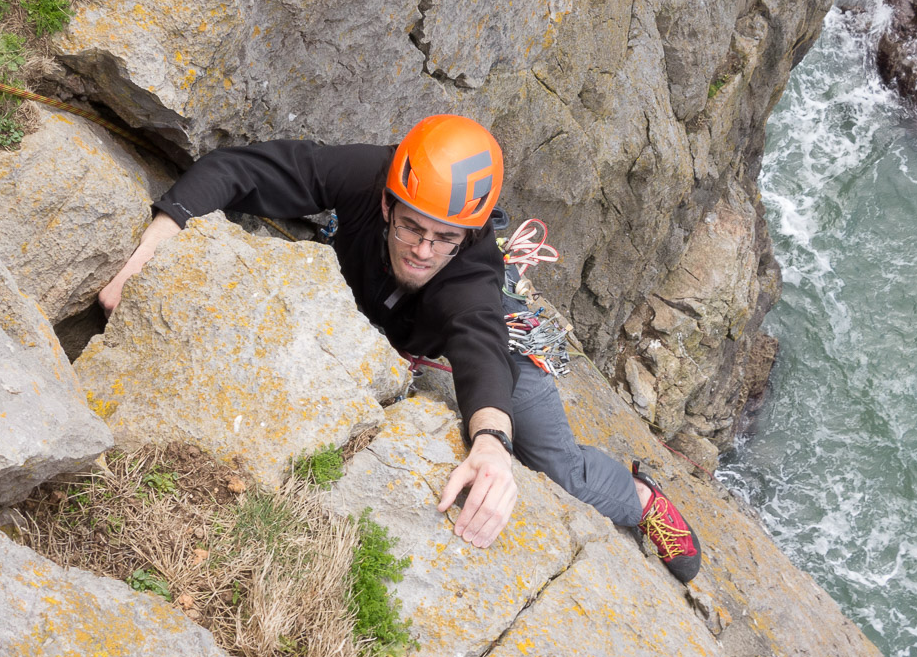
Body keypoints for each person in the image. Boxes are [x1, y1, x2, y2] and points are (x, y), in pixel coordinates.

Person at [98, 114, 702, 583]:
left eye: (444, 238)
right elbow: (238, 169)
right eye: (412, 226)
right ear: (387, 202)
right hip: (383, 309)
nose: (422, 249)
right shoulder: (368, 179)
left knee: (557, 465)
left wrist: (491, 443)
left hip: (494, 339)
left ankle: (641, 498)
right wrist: (151, 251)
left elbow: (481, 348)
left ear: (469, 237)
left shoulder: (469, 278)